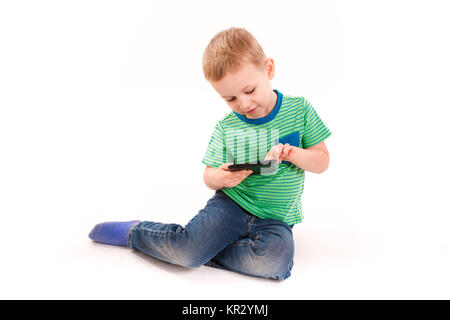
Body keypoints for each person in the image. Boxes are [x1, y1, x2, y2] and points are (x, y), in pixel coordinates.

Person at [88, 27, 332, 280]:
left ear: (268, 69)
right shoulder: (227, 126)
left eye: (249, 91)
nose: (244, 104)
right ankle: (137, 234)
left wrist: (295, 155)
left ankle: (193, 249)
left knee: (274, 263)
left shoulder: (299, 110)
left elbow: (322, 161)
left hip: (276, 219)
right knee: (189, 252)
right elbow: (209, 176)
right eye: (230, 98)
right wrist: (221, 177)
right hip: (231, 206)